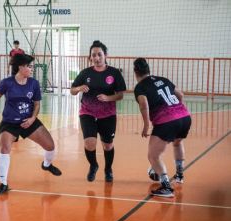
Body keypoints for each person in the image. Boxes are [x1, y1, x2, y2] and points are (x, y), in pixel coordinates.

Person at [0, 53, 62, 195]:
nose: (32, 69)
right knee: (4, 148)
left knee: (50, 146)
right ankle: (3, 183)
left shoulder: (34, 83)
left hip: (28, 121)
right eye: (29, 66)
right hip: (9, 122)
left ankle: (46, 165)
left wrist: (33, 118)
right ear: (21, 67)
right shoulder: (7, 82)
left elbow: (37, 104)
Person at [133, 57, 192, 198]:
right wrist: (177, 109)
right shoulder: (163, 79)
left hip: (167, 121)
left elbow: (144, 104)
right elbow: (180, 95)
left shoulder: (140, 87)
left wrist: (146, 125)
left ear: (136, 72)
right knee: (177, 143)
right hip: (184, 117)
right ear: (148, 69)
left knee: (153, 156)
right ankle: (179, 175)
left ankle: (166, 187)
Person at [70, 40, 126, 182]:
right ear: (90, 57)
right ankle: (93, 165)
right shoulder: (85, 73)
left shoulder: (114, 73)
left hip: (107, 114)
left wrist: (108, 98)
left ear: (105, 55)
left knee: (107, 145)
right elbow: (72, 90)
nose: (96, 58)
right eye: (93, 55)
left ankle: (108, 169)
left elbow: (120, 95)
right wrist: (79, 88)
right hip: (87, 112)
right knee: (89, 142)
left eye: (99, 55)